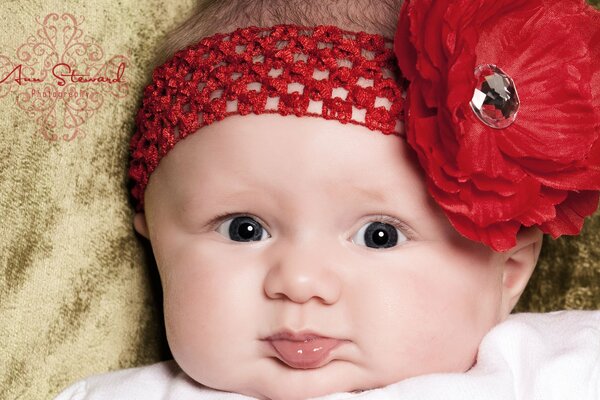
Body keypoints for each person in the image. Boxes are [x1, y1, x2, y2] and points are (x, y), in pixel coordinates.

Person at [55, 0, 600, 399]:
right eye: (243, 229)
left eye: (378, 235)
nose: (300, 282)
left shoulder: (556, 369)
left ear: (508, 271)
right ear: (155, 237)